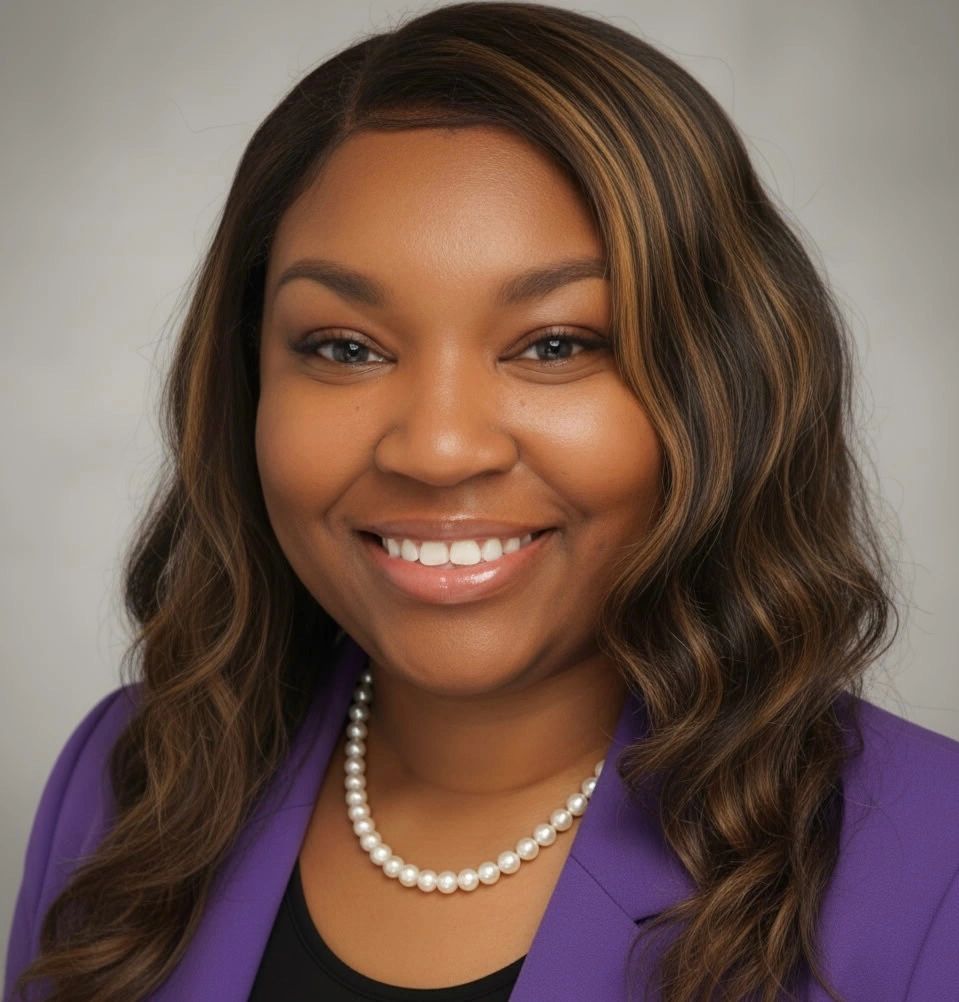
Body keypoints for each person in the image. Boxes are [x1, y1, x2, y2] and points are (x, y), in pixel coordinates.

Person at [5, 3, 959, 1001]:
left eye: (554, 345)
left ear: (722, 386)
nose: (437, 447)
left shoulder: (932, 866)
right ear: (248, 386)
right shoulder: (126, 782)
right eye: (343, 348)